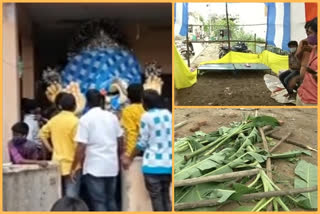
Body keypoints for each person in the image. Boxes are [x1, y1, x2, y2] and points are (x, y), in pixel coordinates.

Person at [71, 89, 124, 211]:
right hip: (111, 166)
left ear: (87, 102)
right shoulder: (112, 117)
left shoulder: (85, 119)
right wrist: (120, 155)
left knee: (99, 202)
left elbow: (81, 146)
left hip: (94, 167)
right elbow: (120, 139)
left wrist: (74, 167)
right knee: (111, 200)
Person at [136, 89, 172, 211]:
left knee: (156, 199)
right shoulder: (167, 114)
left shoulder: (146, 117)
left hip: (152, 165)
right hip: (168, 164)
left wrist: (130, 155)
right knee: (166, 197)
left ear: (145, 103)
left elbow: (142, 142)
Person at [39, 93, 81, 197]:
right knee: (71, 199)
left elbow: (42, 134)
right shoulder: (76, 122)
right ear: (75, 106)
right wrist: (75, 168)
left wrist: (51, 149)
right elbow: (78, 147)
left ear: (60, 106)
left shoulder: (54, 120)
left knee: (58, 197)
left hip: (57, 164)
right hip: (72, 165)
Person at [120, 84, 145, 169]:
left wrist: (129, 155)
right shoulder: (147, 108)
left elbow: (131, 133)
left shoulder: (128, 111)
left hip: (136, 151)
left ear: (128, 95)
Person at [297, 17, 318, 106]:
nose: (308, 36)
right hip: (303, 94)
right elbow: (296, 57)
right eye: (307, 33)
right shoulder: (313, 48)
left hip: (313, 100)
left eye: (310, 33)